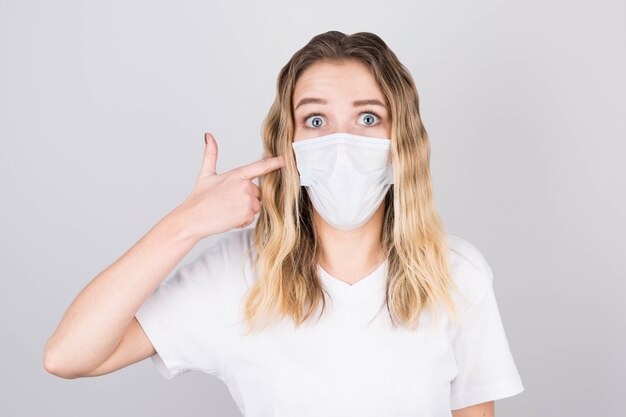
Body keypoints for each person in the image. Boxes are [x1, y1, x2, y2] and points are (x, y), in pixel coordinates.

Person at [44, 31, 524, 417]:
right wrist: (184, 224)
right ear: (287, 142)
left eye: (368, 118)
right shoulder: (238, 275)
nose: (340, 142)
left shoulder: (457, 272)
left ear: (402, 140)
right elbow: (69, 356)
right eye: (315, 120)